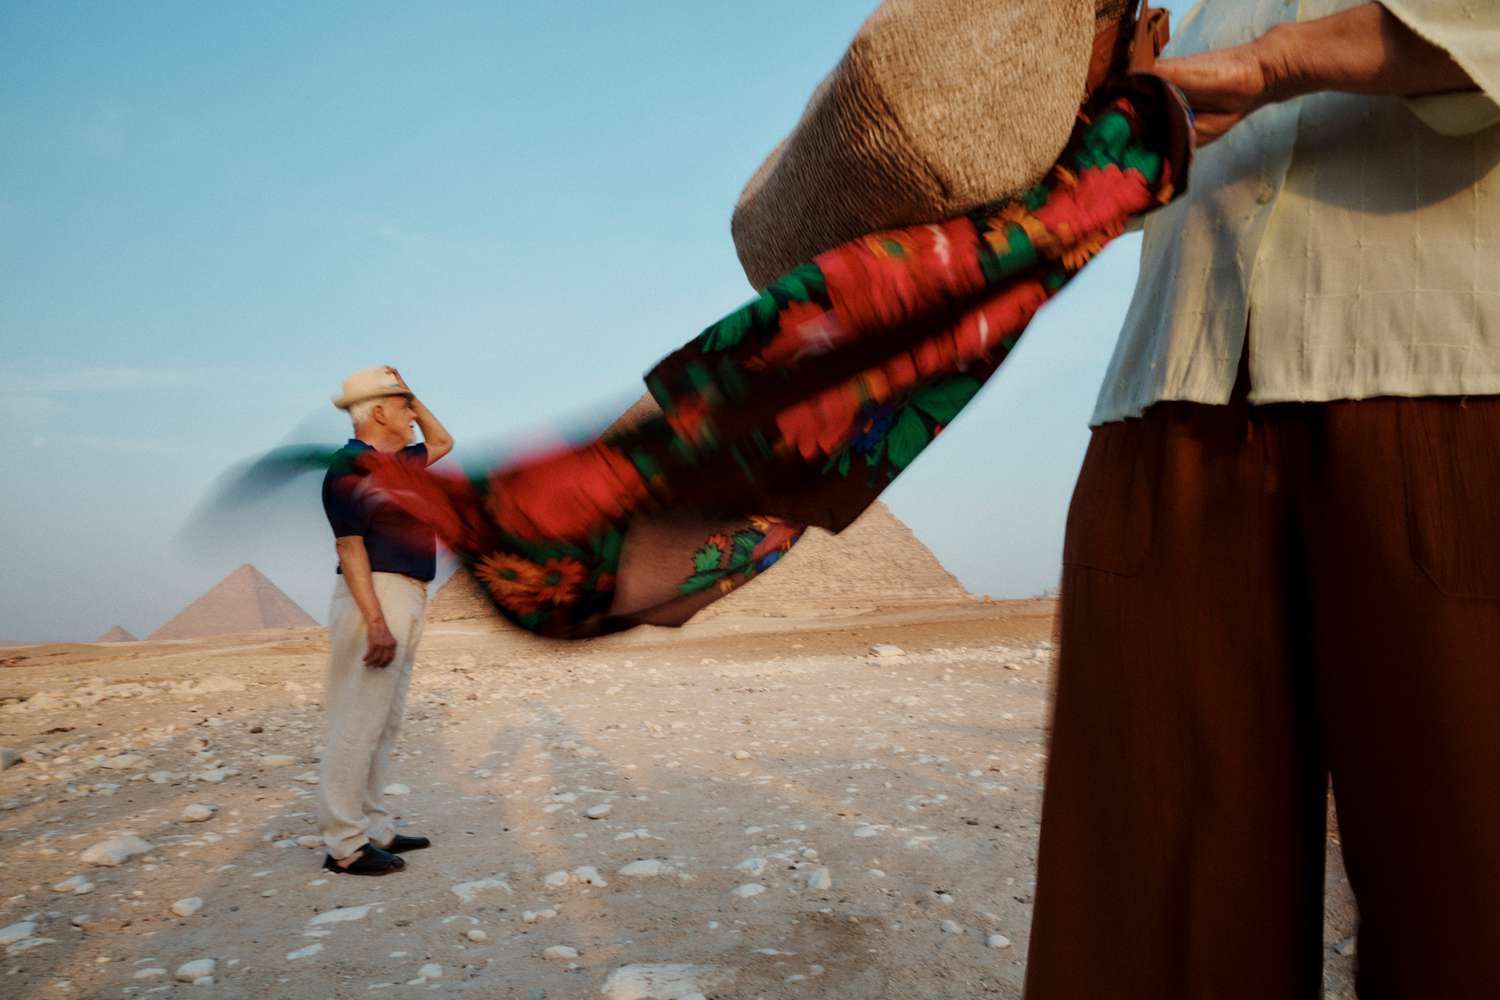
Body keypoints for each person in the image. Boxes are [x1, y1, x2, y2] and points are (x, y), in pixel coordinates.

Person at [1025, 2, 1499, 997]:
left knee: (1472, 896)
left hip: (1443, 384)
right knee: (1153, 920)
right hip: (1169, 415)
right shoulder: (1198, 17)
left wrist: (1278, 62)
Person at [317, 365, 453, 876]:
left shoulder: (400, 464)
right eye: (402, 406)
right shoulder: (350, 467)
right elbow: (349, 546)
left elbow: (443, 440)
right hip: (376, 593)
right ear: (378, 411)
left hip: (410, 591)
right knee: (358, 721)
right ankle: (344, 845)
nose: (413, 417)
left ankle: (375, 826)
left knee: (385, 720)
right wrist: (375, 621)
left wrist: (412, 394)